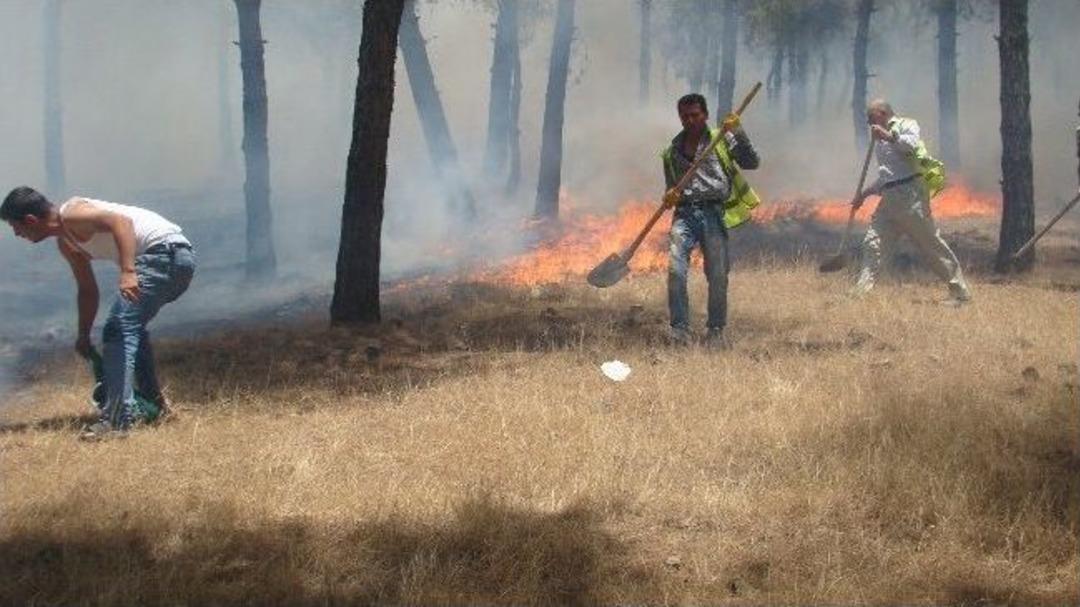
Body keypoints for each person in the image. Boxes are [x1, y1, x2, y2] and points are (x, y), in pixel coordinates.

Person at [1, 186, 196, 439]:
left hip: (165, 254)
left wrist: (128, 271)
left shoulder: (72, 214)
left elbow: (120, 222)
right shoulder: (67, 244)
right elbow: (87, 290)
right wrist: (83, 335)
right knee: (129, 329)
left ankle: (117, 421)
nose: (17, 234)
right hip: (172, 260)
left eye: (16, 228)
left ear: (30, 220)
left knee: (119, 329)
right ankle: (155, 406)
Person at [660, 93, 761, 348]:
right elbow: (672, 189)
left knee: (717, 274)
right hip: (684, 214)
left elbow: (752, 162)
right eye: (685, 116)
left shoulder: (722, 138)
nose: (690, 120)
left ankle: (716, 330)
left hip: (713, 214)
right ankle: (680, 329)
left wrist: (737, 130)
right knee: (675, 270)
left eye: (695, 115)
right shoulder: (672, 151)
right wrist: (670, 196)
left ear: (704, 114)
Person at [852, 99, 971, 304]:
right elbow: (887, 175)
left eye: (870, 117)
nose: (868, 122)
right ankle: (861, 292)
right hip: (889, 200)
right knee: (873, 243)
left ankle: (960, 292)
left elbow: (911, 145)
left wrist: (888, 136)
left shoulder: (906, 125)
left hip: (910, 196)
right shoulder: (879, 140)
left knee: (930, 244)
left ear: (882, 113)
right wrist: (864, 194)